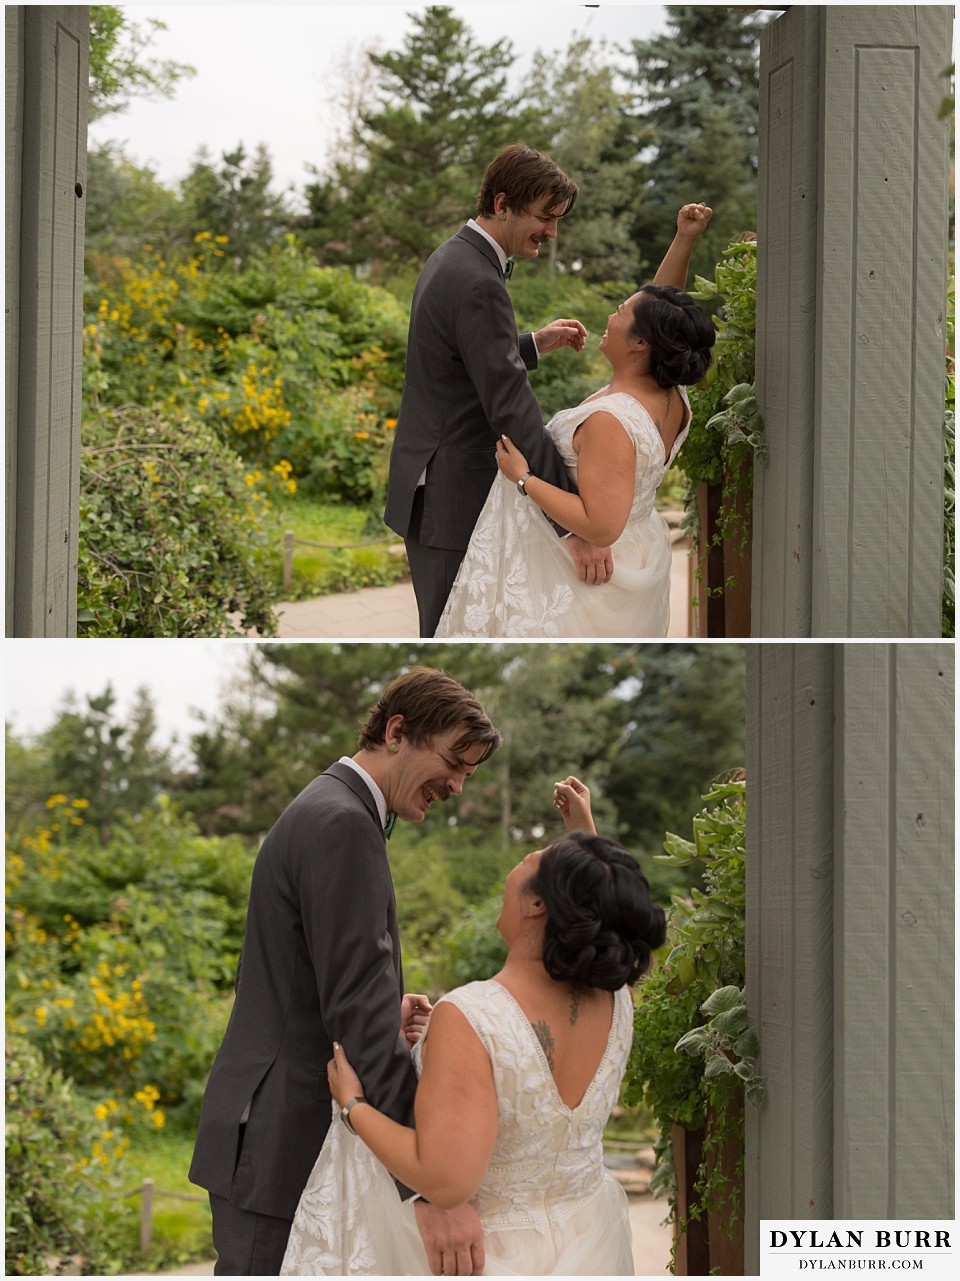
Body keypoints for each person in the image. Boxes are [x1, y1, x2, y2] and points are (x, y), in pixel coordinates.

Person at [280, 776, 668, 1276]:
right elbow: (611, 918)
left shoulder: (471, 1016)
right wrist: (585, 836)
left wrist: (355, 1106)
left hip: (490, 1254)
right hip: (585, 1242)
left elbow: (444, 1183)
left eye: (528, 862)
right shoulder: (615, 999)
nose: (517, 866)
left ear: (536, 905)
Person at [188, 668, 502, 1276]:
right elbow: (354, 1008)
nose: (459, 786)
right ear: (397, 732)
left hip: (265, 1130)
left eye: (468, 771)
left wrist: (386, 1009)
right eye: (454, 761)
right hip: (280, 1138)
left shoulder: (323, 805)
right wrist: (430, 1183)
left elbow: (292, 975)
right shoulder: (344, 825)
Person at [434, 203, 717, 638]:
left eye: (620, 311)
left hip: (579, 571)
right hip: (636, 551)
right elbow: (666, 310)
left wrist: (525, 478)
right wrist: (684, 239)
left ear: (641, 343)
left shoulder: (610, 420)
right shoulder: (669, 392)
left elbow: (601, 525)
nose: (611, 316)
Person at [384, 143, 614, 639]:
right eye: (545, 217)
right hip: (452, 493)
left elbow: (458, 363)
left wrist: (531, 344)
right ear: (504, 203)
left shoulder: (452, 256)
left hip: (433, 482)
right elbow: (510, 404)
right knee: (450, 635)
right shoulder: (478, 282)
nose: (552, 232)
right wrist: (576, 522)